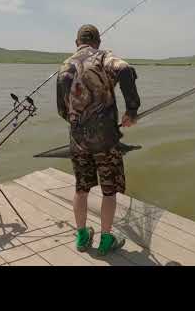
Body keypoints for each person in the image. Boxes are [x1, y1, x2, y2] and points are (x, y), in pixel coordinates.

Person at [57, 24, 141, 256]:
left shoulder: (65, 66)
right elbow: (125, 69)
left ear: (77, 43)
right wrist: (131, 111)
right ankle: (106, 239)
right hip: (106, 140)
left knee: (81, 188)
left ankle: (82, 236)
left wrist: (79, 123)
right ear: (98, 42)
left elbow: (62, 110)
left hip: (78, 140)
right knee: (108, 191)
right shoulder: (104, 57)